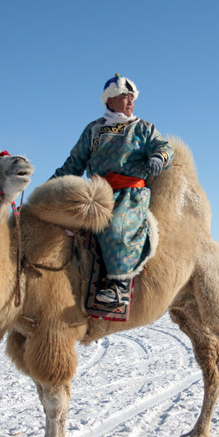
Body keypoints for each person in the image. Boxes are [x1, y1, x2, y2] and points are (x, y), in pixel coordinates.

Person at [52, 74, 174, 305]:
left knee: (116, 228)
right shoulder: (94, 130)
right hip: (96, 192)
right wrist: (51, 188)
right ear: (110, 100)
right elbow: (74, 163)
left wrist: (160, 156)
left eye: (132, 97)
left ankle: (119, 286)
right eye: (124, 97)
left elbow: (164, 146)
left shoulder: (143, 128)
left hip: (129, 195)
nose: (130, 102)